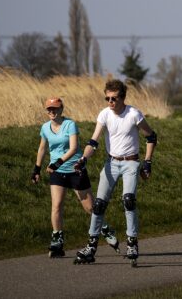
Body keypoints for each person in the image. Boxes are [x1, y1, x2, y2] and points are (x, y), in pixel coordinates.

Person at [73, 79, 157, 265]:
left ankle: (132, 244)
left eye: (114, 98)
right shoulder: (104, 114)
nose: (110, 102)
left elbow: (151, 136)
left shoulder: (134, 114)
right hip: (111, 163)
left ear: (122, 98)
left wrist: (147, 162)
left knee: (128, 200)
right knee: (99, 205)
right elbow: (93, 142)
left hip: (130, 163)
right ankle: (91, 247)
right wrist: (83, 159)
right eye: (107, 98)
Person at [32, 97, 119, 258]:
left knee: (89, 208)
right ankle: (57, 239)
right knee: (56, 206)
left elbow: (73, 148)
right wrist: (36, 169)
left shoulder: (70, 125)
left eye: (55, 109)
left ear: (61, 110)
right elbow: (42, 148)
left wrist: (57, 163)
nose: (52, 112)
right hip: (57, 172)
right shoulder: (45, 128)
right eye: (49, 109)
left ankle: (105, 228)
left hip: (75, 169)